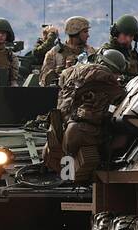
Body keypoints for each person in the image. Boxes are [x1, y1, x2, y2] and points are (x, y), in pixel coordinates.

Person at [44, 49, 129, 183]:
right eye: (117, 73)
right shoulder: (104, 75)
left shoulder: (71, 71)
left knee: (68, 173)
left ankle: (68, 181)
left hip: (61, 131)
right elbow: (121, 94)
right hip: (83, 133)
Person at [39, 16, 95, 86]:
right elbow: (43, 81)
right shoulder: (55, 53)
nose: (88, 35)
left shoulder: (90, 51)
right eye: (85, 32)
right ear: (75, 32)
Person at [104, 14, 138, 78]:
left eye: (131, 36)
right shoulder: (106, 53)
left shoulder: (132, 54)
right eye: (125, 35)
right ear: (116, 33)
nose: (128, 39)